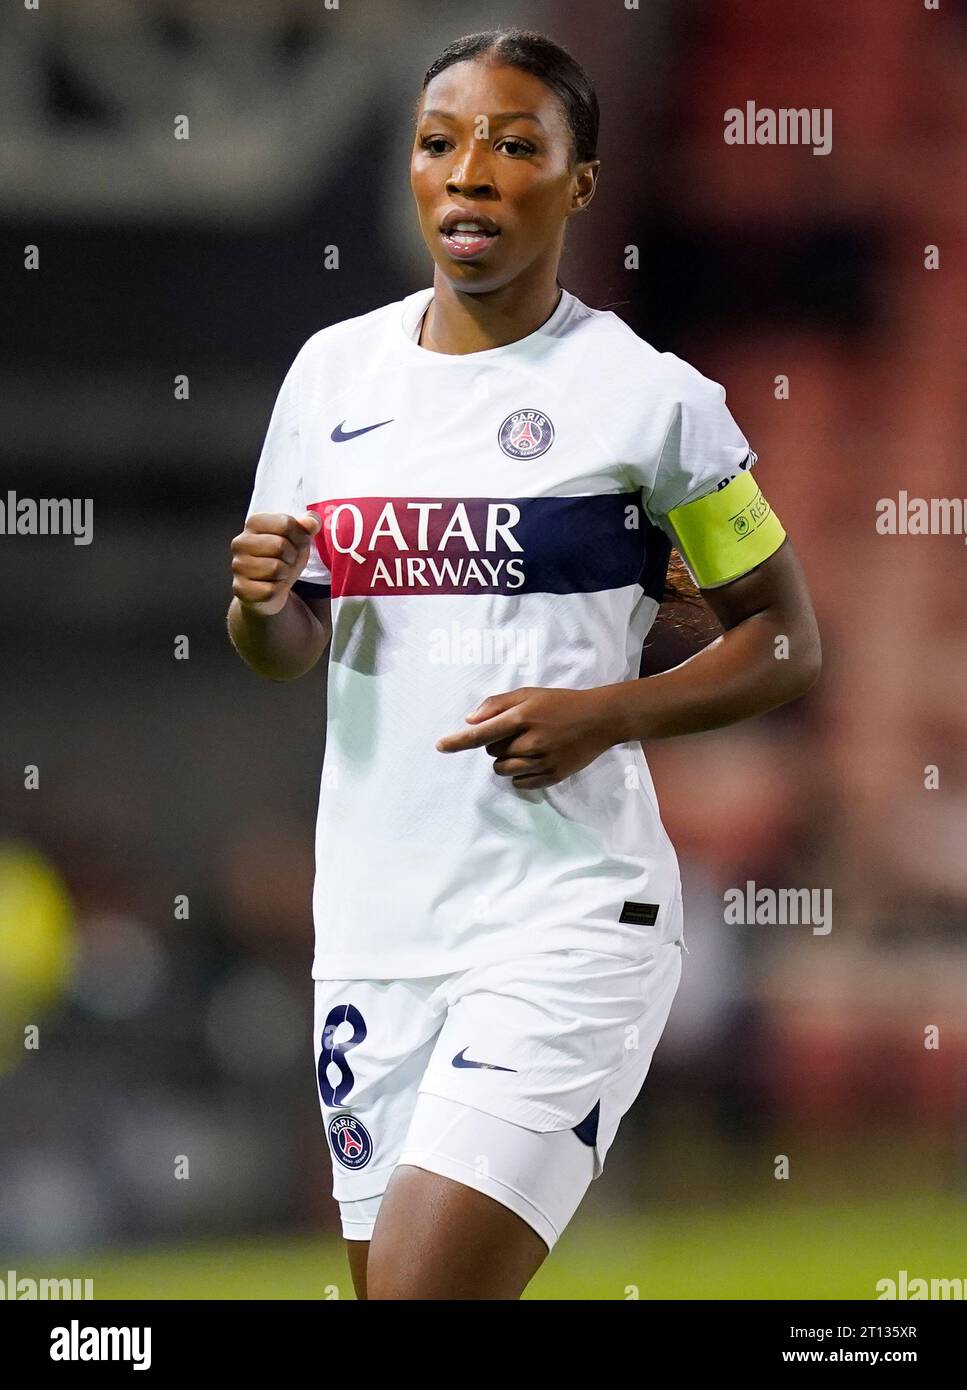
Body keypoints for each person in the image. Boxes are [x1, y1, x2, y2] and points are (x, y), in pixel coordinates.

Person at [226, 28, 821, 1300]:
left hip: (564, 920)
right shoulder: (333, 377)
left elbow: (783, 637)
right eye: (441, 143)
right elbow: (290, 646)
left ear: (579, 181)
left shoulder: (654, 402)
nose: (471, 174)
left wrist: (607, 711)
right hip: (377, 931)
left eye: (515, 146)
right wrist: (259, 608)